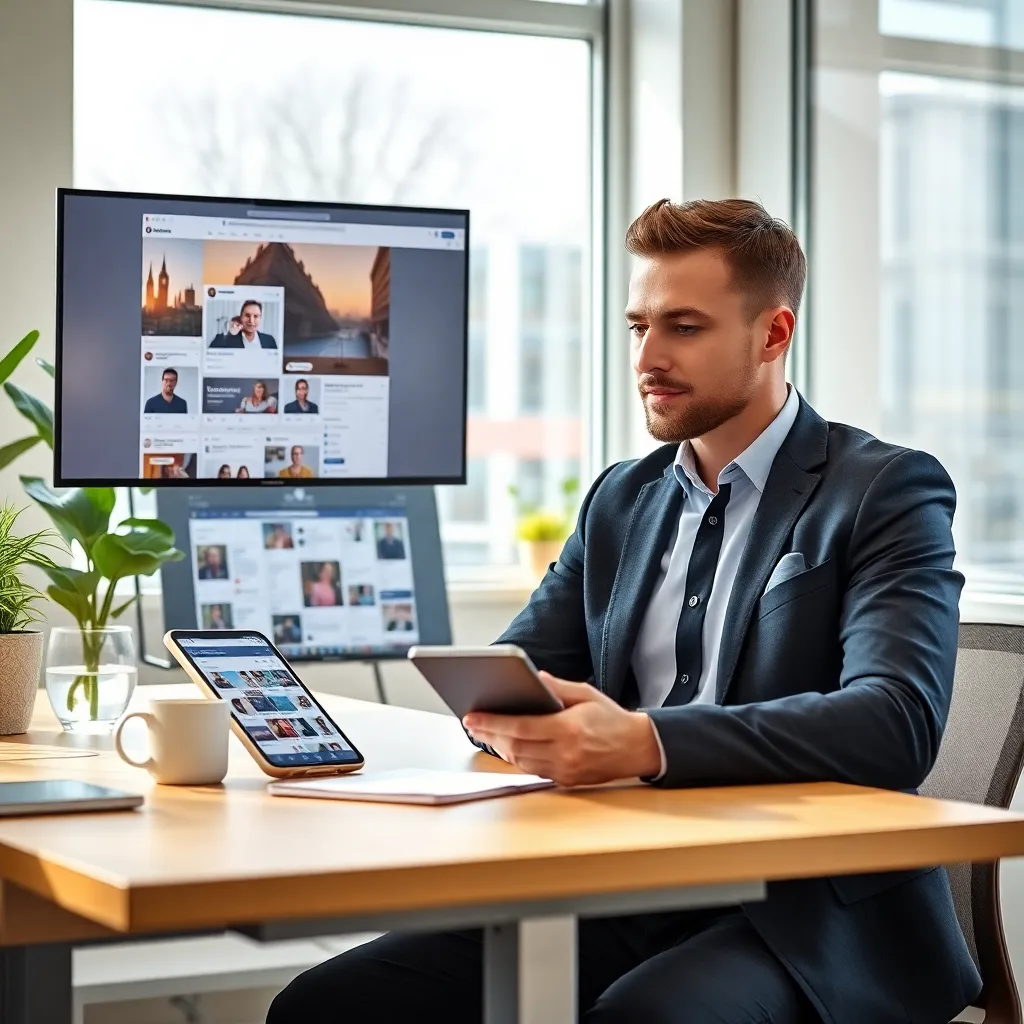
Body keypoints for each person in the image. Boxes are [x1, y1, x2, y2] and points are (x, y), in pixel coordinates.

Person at [269, 198, 979, 1024]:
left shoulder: (884, 489)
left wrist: (645, 741)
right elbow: (519, 669)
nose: (647, 357)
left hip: (803, 909)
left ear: (773, 333)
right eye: (639, 325)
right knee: (328, 1005)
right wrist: (513, 719)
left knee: (646, 1018)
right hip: (624, 876)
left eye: (684, 327)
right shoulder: (621, 497)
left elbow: (896, 722)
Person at [209, 301, 278, 349]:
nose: (251, 321)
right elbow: (211, 353)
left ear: (260, 318)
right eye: (247, 316)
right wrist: (229, 334)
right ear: (241, 317)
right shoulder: (227, 339)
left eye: (256, 316)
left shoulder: (269, 340)